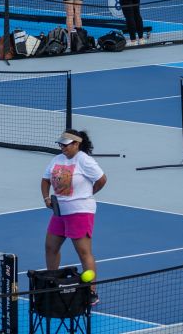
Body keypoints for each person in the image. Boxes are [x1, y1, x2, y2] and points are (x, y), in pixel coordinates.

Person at [42, 129, 106, 305]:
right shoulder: (56, 160)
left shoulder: (85, 160)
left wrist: (87, 194)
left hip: (80, 211)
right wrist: (47, 198)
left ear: (76, 144)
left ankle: (92, 292)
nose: (62, 147)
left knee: (84, 252)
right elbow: (45, 179)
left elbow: (101, 179)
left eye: (66, 144)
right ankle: (52, 284)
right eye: (61, 144)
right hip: (59, 212)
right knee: (50, 247)